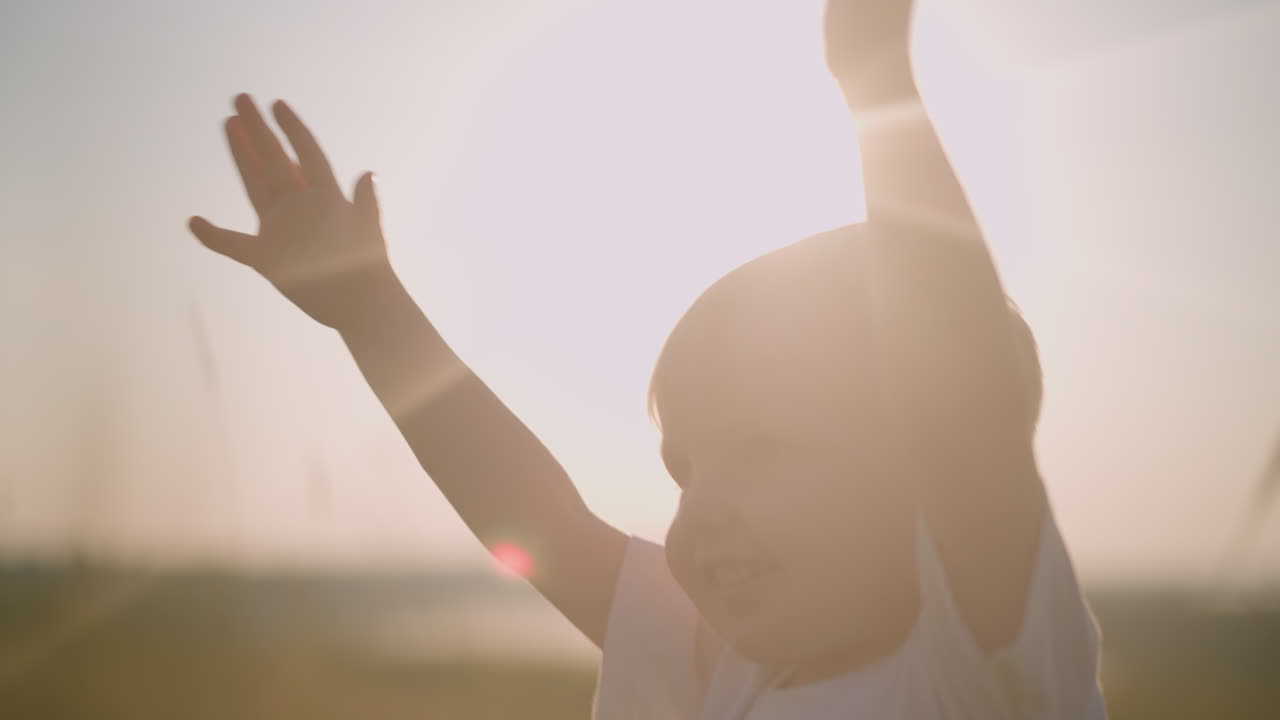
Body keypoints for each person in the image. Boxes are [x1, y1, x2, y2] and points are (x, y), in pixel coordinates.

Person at [188, 1, 1107, 717]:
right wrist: (370, 313)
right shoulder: (730, 669)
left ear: (930, 471)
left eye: (765, 452)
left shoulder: (984, 673)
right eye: (684, 471)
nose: (700, 511)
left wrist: (874, 80)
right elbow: (534, 517)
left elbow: (963, 395)